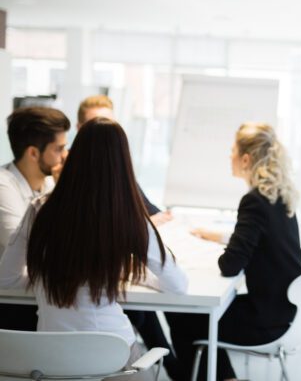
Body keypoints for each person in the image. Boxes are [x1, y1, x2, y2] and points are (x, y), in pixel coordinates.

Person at [0, 117, 188, 380]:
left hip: (51, 361)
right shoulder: (128, 216)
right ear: (123, 164)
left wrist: (48, 277)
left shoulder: (39, 209)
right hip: (112, 360)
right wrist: (143, 278)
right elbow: (177, 285)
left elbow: (6, 279)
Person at [167, 122, 301, 381]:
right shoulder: (278, 195)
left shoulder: (253, 201)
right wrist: (219, 237)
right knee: (195, 315)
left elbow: (230, 265)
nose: (228, 156)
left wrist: (217, 251)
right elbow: (262, 241)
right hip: (282, 309)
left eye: (232, 150)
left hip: (266, 320)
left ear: (245, 158)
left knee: (183, 315)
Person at [76, 94, 179, 378]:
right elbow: (177, 284)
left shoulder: (45, 206)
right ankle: (177, 368)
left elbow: (154, 212)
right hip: (110, 351)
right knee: (146, 311)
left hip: (49, 358)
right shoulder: (118, 209)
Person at [0, 107, 70, 331]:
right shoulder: (4, 185)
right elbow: (29, 248)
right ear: (33, 153)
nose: (65, 155)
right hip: (11, 302)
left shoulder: (48, 183)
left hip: (36, 290)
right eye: (59, 148)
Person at [76, 95, 172, 226]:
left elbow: (147, 208)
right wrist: (145, 223)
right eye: (97, 126)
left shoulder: (116, 166)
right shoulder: (68, 168)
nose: (106, 134)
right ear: (79, 128)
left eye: (110, 126)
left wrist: (161, 217)